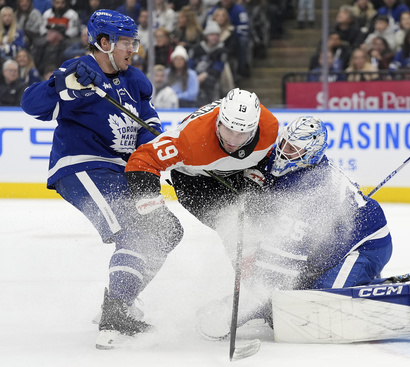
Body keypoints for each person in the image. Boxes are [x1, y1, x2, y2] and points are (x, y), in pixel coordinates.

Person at [20, 9, 183, 349]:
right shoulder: (78, 72)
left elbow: (148, 130)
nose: (132, 49)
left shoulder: (136, 80)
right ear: (104, 42)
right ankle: (115, 313)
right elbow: (31, 105)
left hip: (122, 171)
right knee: (134, 229)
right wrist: (61, 85)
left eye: (134, 42)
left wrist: (154, 155)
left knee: (166, 229)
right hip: (82, 166)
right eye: (126, 42)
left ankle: (121, 297)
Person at [196, 115, 394, 340]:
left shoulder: (313, 189)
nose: (282, 151)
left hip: (364, 246)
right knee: (285, 299)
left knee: (317, 310)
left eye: (292, 149)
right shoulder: (281, 160)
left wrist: (244, 307)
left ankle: (384, 292)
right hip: (325, 247)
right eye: (283, 142)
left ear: (310, 154)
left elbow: (281, 264)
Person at [124, 87, 279, 232]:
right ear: (219, 122)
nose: (232, 141)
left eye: (241, 134)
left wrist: (254, 177)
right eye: (228, 130)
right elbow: (142, 159)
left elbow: (265, 154)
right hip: (194, 181)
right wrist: (147, 200)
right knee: (231, 229)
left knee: (263, 225)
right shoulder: (192, 140)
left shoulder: (269, 127)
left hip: (235, 170)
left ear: (253, 131)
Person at [188, 20, 230, 106]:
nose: (214, 37)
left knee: (211, 82)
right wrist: (193, 76)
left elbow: (218, 67)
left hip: (214, 78)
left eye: (217, 35)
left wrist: (206, 74)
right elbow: (190, 64)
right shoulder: (197, 48)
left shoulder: (222, 50)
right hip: (195, 77)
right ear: (206, 36)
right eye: (212, 35)